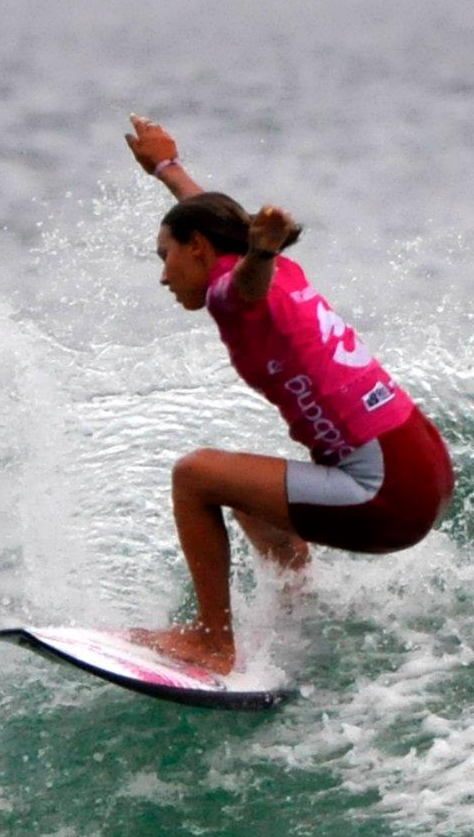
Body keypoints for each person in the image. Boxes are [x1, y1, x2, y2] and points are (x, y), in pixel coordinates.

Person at [119, 114, 455, 674]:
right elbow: (213, 216)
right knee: (244, 492)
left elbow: (246, 285)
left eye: (164, 256)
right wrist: (166, 166)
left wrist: (261, 254)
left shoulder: (235, 288)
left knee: (195, 476)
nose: (163, 275)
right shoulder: (280, 268)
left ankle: (212, 643)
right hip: (424, 467)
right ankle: (300, 613)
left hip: (387, 493)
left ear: (197, 248)